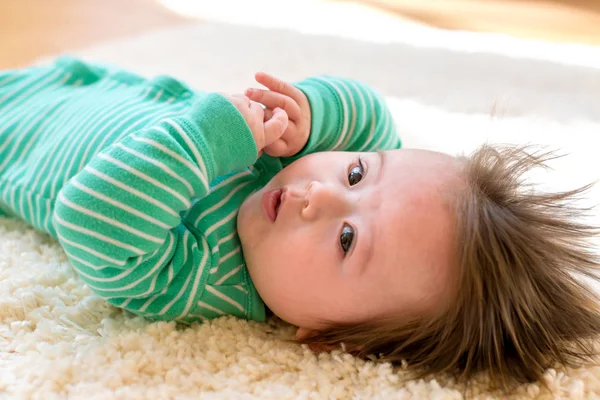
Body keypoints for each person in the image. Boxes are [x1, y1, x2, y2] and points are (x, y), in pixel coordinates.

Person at [1, 57, 599, 387]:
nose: (319, 194)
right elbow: (367, 111)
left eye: (346, 241)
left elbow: (90, 220)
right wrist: (311, 116)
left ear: (333, 338)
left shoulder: (202, 277)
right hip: (83, 81)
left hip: (14, 135)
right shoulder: (301, 167)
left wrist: (207, 140)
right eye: (359, 175)